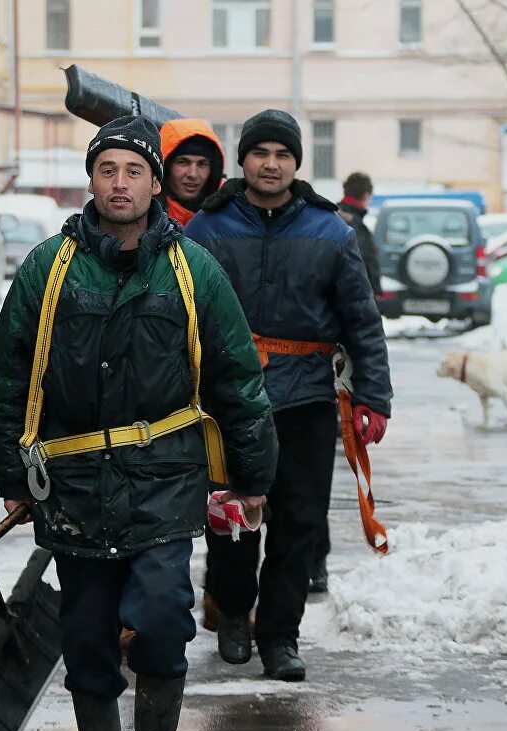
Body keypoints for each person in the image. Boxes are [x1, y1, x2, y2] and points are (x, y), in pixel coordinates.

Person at [0, 116, 277, 731]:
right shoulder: (46, 268)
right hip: (73, 483)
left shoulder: (192, 268)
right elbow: (7, 377)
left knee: (159, 613)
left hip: (164, 476)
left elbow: (236, 376)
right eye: (108, 170)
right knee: (85, 629)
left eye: (134, 172)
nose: (120, 184)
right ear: (92, 179)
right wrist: (8, 476)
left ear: (156, 182)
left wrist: (253, 473)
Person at [185, 110, 392, 682]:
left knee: (299, 522)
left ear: (296, 162)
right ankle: (231, 616)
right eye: (260, 153)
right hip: (227, 401)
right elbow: (176, 316)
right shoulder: (207, 230)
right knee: (230, 516)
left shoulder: (330, 233)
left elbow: (362, 321)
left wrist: (373, 396)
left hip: (305, 400)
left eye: (281, 154)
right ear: (244, 160)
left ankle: (279, 635)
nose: (270, 164)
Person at [158, 118, 225, 226]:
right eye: (183, 162)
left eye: (202, 164)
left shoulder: (229, 218)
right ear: (166, 167)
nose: (192, 174)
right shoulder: (141, 217)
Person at [338, 171, 382, 296]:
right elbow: (365, 262)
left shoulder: (329, 215)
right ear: (366, 196)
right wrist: (376, 291)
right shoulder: (358, 227)